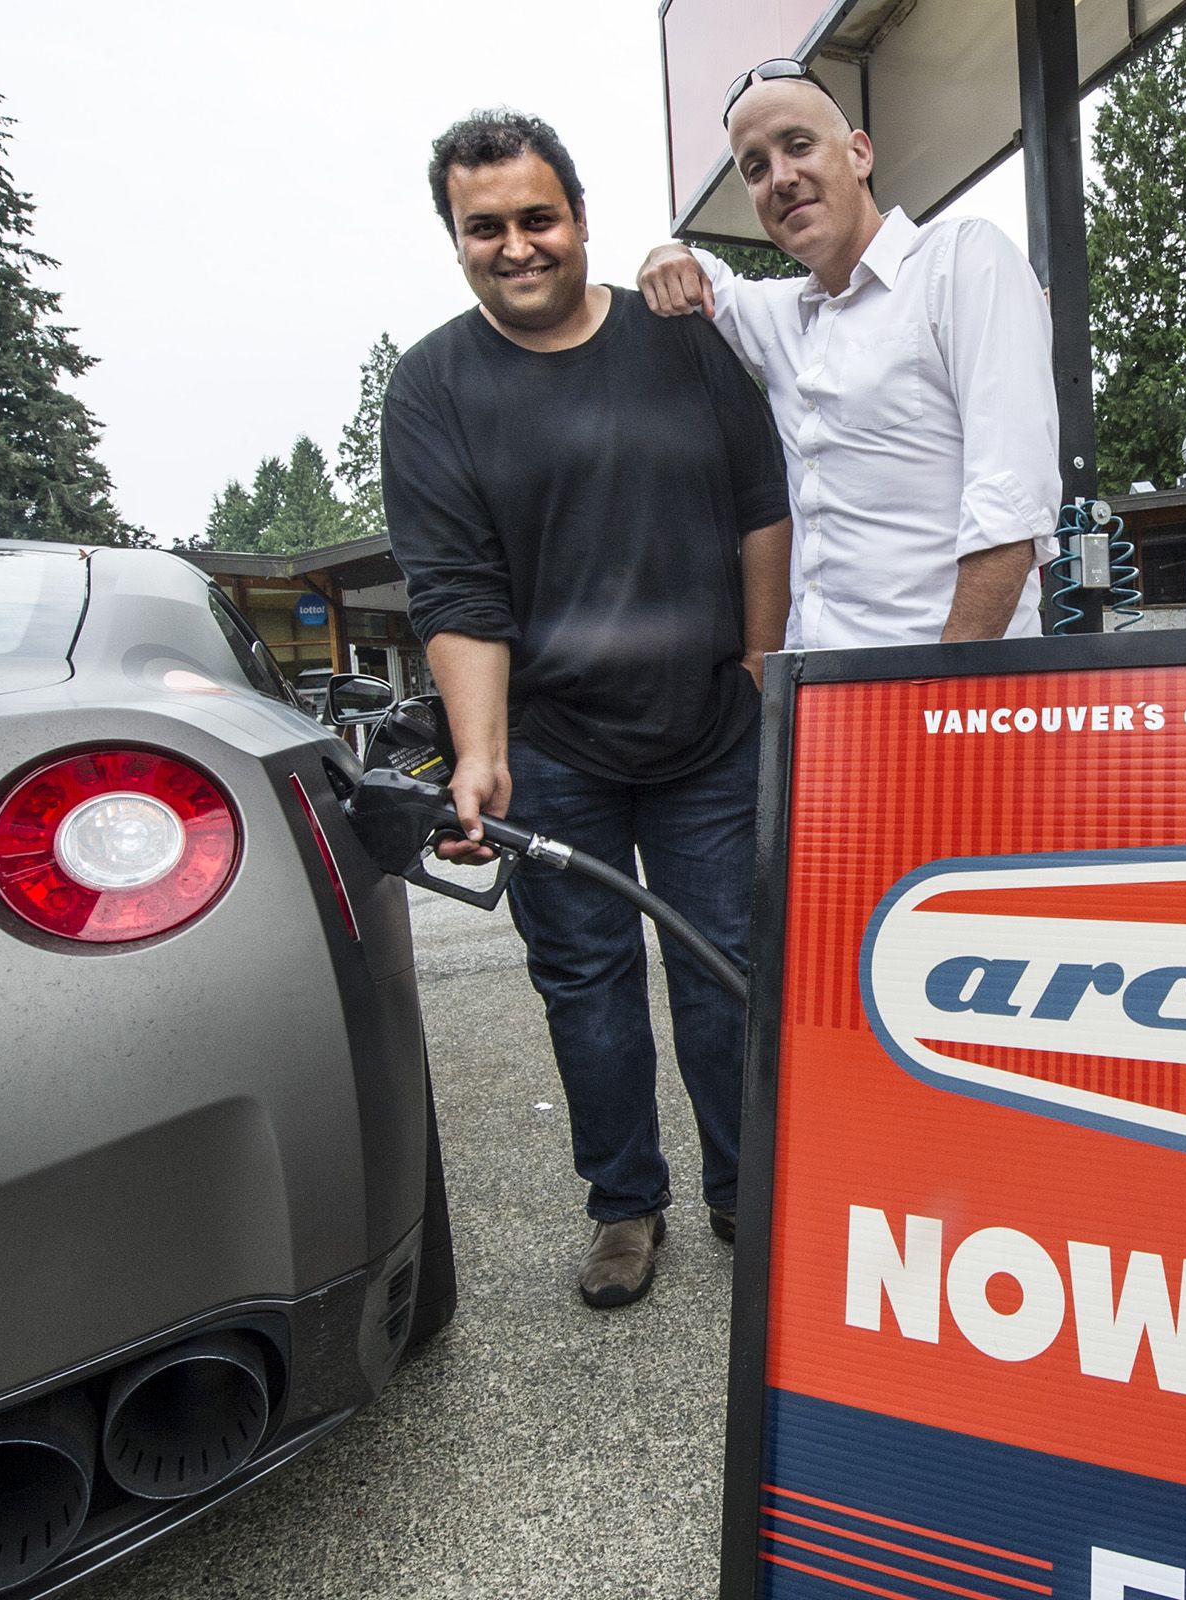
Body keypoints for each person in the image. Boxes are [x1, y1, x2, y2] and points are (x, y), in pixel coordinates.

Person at [382, 110, 792, 1308]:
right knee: (586, 989)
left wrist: (763, 665)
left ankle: (741, 1184)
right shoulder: (433, 387)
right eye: (485, 227)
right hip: (556, 747)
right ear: (456, 239)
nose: (516, 245)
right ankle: (625, 1206)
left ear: (578, 218)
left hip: (710, 733)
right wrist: (479, 754)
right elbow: (457, 591)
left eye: (536, 218)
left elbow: (760, 507)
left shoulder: (681, 340)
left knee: (724, 970)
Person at [637, 60, 1060, 648]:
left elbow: (1010, 504)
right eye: (755, 168)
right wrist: (666, 251)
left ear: (860, 153)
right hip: (823, 704)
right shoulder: (781, 315)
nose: (780, 178)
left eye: (799, 145)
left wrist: (942, 696)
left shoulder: (961, 260)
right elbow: (696, 277)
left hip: (950, 694)